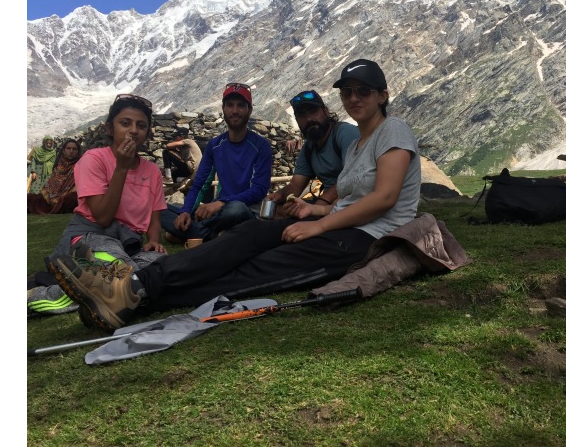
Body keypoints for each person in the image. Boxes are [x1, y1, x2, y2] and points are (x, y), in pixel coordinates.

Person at [52, 59, 421, 332]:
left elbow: (384, 199)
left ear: (383, 95)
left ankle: (136, 292)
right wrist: (311, 210)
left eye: (364, 91)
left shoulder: (393, 130)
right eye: (348, 91)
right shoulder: (359, 145)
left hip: (365, 237)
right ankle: (133, 284)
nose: (354, 98)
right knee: (247, 235)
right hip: (336, 223)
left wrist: (319, 226)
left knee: (256, 269)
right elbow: (342, 196)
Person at [34, 94, 168, 318]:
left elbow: (155, 216)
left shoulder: (152, 171)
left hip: (127, 245)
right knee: (129, 278)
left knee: (161, 263)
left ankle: (81, 287)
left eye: (141, 125)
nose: (133, 130)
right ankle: (40, 298)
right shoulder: (93, 159)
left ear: (147, 133)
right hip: (89, 236)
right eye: (125, 123)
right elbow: (103, 217)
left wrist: (153, 241)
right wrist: (122, 168)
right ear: (110, 129)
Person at [159, 83, 273, 243]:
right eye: (230, 105)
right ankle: (206, 233)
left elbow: (259, 190)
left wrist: (221, 202)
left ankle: (195, 232)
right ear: (223, 109)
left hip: (246, 211)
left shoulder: (261, 146)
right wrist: (185, 211)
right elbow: (199, 184)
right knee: (159, 208)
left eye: (241, 106)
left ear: (250, 110)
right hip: (218, 211)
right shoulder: (215, 145)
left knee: (235, 209)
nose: (235, 111)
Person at [267, 89, 359, 219]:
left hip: (351, 203)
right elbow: (296, 185)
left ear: (326, 112)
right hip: (325, 204)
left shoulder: (344, 133)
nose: (309, 119)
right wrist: (280, 195)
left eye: (313, 111)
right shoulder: (309, 148)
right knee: (276, 212)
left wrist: (321, 203)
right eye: (301, 115)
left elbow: (351, 176)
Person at [27, 139, 82, 215]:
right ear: (63, 150)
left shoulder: (81, 165)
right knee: (31, 198)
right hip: (50, 198)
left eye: (74, 149)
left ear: (78, 151)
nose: (71, 151)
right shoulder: (58, 166)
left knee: (72, 199)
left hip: (67, 196)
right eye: (68, 148)